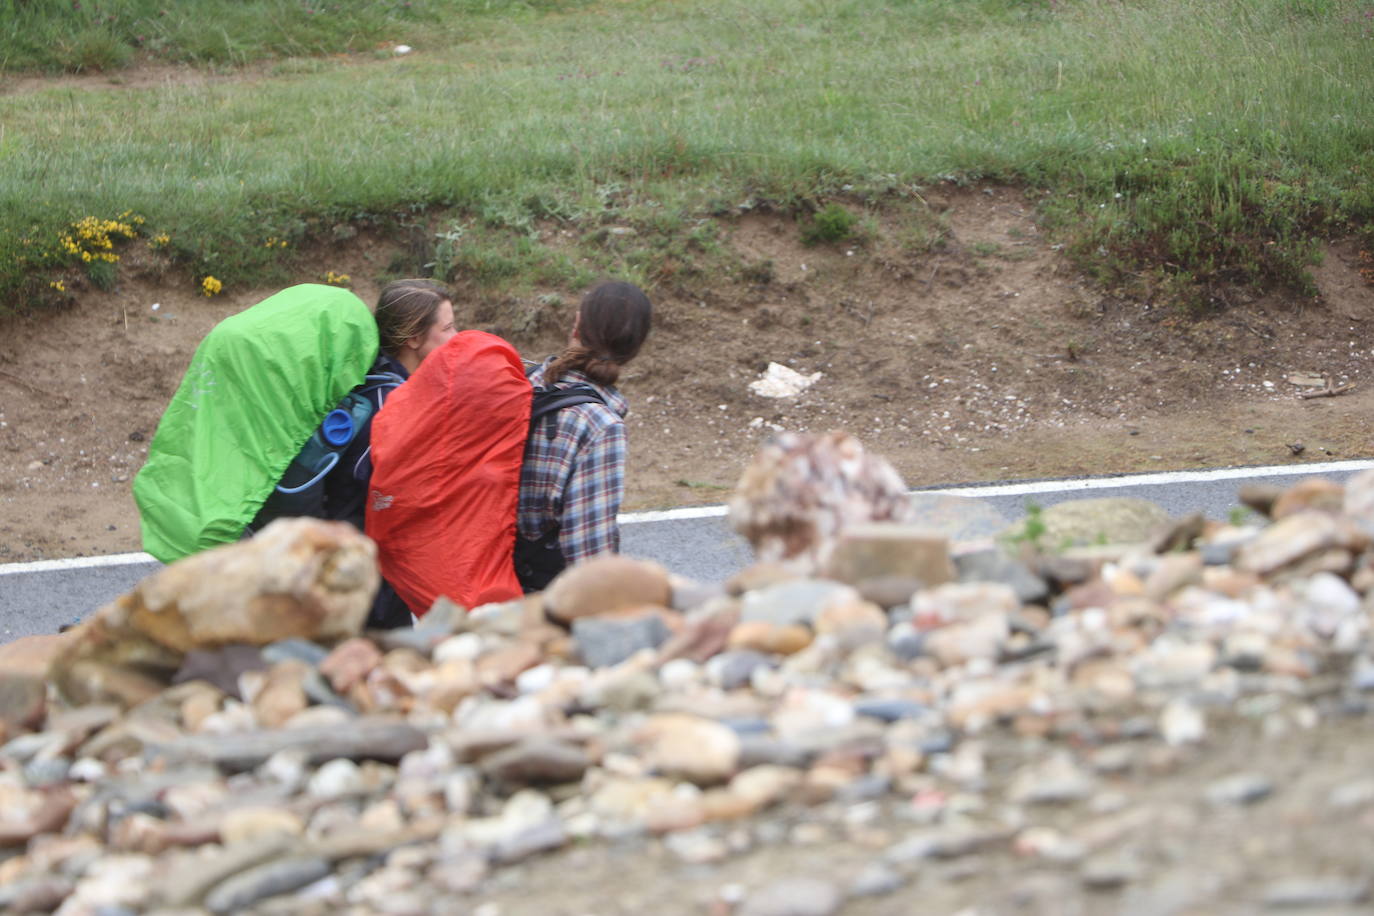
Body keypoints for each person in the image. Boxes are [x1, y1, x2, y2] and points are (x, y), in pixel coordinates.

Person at [248, 278, 457, 535]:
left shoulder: (357, 373)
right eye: (448, 327)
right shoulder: (391, 406)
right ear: (414, 338)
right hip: (339, 544)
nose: (456, 337)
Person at [514, 280, 653, 591]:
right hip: (541, 604)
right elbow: (590, 553)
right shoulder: (600, 426)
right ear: (634, 349)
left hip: (485, 582)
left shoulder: (521, 382)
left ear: (576, 324)